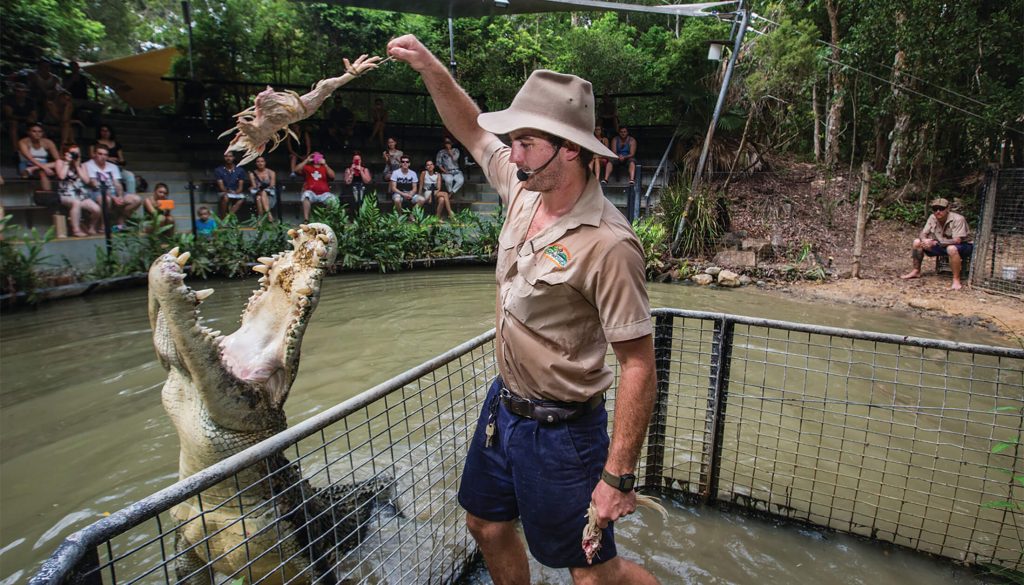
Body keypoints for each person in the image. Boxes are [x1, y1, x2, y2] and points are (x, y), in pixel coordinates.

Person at [388, 36, 658, 585]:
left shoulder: (609, 245)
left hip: (564, 432)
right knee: (484, 525)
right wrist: (428, 65)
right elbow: (471, 127)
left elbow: (638, 365)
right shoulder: (524, 186)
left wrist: (618, 477)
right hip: (503, 409)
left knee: (590, 571)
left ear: (572, 150)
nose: (512, 154)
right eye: (513, 140)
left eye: (527, 142)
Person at [900, 197, 973, 290]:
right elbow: (923, 233)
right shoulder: (932, 217)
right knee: (917, 242)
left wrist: (935, 243)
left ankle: (956, 280)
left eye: (941, 209)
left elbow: (957, 240)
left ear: (947, 209)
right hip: (941, 245)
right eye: (935, 209)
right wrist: (924, 240)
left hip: (963, 246)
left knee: (951, 248)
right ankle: (916, 271)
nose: (938, 211)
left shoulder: (958, 219)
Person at [84, 145, 142, 230]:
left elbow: (117, 183)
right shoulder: (88, 165)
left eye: (105, 154)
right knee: (105, 199)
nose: (102, 157)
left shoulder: (112, 166)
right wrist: (113, 197)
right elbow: (95, 184)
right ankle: (104, 225)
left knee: (137, 199)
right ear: (95, 154)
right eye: (100, 154)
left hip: (113, 192)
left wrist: (120, 196)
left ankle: (121, 219)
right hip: (96, 192)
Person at [55, 143, 101, 236]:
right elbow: (61, 176)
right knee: (76, 203)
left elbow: (86, 180)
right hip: (65, 194)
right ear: (66, 153)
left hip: (81, 194)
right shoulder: (60, 162)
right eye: (73, 153)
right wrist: (67, 163)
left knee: (97, 209)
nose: (76, 155)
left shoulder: (82, 165)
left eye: (78, 153)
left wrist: (77, 166)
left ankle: (91, 227)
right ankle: (76, 230)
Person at [91, 125, 136, 195]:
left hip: (116, 168)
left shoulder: (116, 144)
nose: (105, 133)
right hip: (101, 169)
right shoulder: (94, 142)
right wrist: (107, 158)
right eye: (103, 130)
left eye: (107, 131)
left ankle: (131, 196)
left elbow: (121, 159)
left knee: (130, 176)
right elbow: (92, 156)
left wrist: (119, 161)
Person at [294, 151, 336, 220]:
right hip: (311, 193)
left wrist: (325, 164)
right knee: (306, 195)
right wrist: (307, 160)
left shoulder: (324, 167)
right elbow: (296, 170)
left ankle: (326, 219)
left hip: (324, 194)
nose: (316, 158)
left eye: (318, 156)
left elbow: (333, 176)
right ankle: (306, 220)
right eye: (314, 156)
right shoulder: (307, 167)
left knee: (333, 199)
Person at [17, 123, 59, 190]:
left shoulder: (48, 142)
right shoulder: (23, 142)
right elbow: (29, 158)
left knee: (59, 163)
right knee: (42, 173)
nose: (37, 134)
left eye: (40, 131)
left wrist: (45, 167)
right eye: (34, 131)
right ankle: (47, 194)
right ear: (29, 132)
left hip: (45, 165)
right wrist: (45, 168)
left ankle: (33, 168)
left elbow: (58, 159)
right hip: (27, 164)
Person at [4, 83, 38, 155]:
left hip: (26, 122)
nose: (21, 93)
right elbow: (9, 115)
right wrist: (25, 118)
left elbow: (34, 115)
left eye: (23, 91)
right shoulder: (8, 100)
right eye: (18, 91)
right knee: (13, 123)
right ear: (14, 92)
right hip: (10, 122)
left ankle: (37, 149)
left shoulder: (30, 101)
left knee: (35, 126)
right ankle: (16, 151)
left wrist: (30, 119)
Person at [214, 151, 248, 217]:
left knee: (242, 198)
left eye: (230, 156)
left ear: (233, 158)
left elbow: (240, 187)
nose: (228, 158)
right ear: (224, 158)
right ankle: (223, 217)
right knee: (226, 197)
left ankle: (228, 216)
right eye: (226, 156)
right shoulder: (218, 170)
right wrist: (228, 191)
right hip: (224, 192)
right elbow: (221, 187)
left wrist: (235, 192)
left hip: (236, 192)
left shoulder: (240, 170)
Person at [249, 156, 276, 222]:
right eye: (258, 162)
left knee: (261, 194)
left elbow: (272, 185)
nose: (260, 163)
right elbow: (254, 186)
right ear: (255, 163)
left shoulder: (271, 172)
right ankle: (269, 215)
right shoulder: (252, 174)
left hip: (270, 195)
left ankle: (260, 219)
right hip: (258, 193)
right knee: (259, 197)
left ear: (265, 163)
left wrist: (263, 188)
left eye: (262, 161)